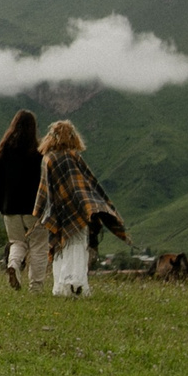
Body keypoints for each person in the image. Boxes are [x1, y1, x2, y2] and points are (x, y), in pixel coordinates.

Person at [32, 119, 128, 296]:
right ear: (72, 136)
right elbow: (88, 185)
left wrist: (43, 212)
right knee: (77, 244)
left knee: (60, 247)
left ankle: (60, 287)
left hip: (56, 211)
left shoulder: (47, 159)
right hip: (77, 211)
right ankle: (75, 284)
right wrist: (95, 206)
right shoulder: (73, 157)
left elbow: (45, 191)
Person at [0, 110, 45, 291]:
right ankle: (35, 287)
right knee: (38, 246)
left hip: (10, 208)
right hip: (33, 209)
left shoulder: (3, 153)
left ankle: (13, 265)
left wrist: (1, 206)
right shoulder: (38, 155)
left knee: (17, 242)